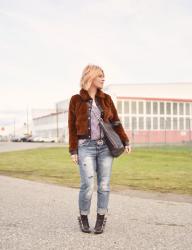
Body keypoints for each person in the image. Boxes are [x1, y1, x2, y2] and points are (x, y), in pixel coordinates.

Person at [68, 64, 131, 234]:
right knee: (87, 185)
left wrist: (125, 140)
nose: (103, 79)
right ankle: (83, 217)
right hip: (85, 147)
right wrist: (73, 150)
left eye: (104, 76)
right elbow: (72, 128)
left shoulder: (106, 99)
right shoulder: (76, 99)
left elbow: (116, 121)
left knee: (104, 185)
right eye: (100, 76)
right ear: (91, 77)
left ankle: (101, 218)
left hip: (105, 148)